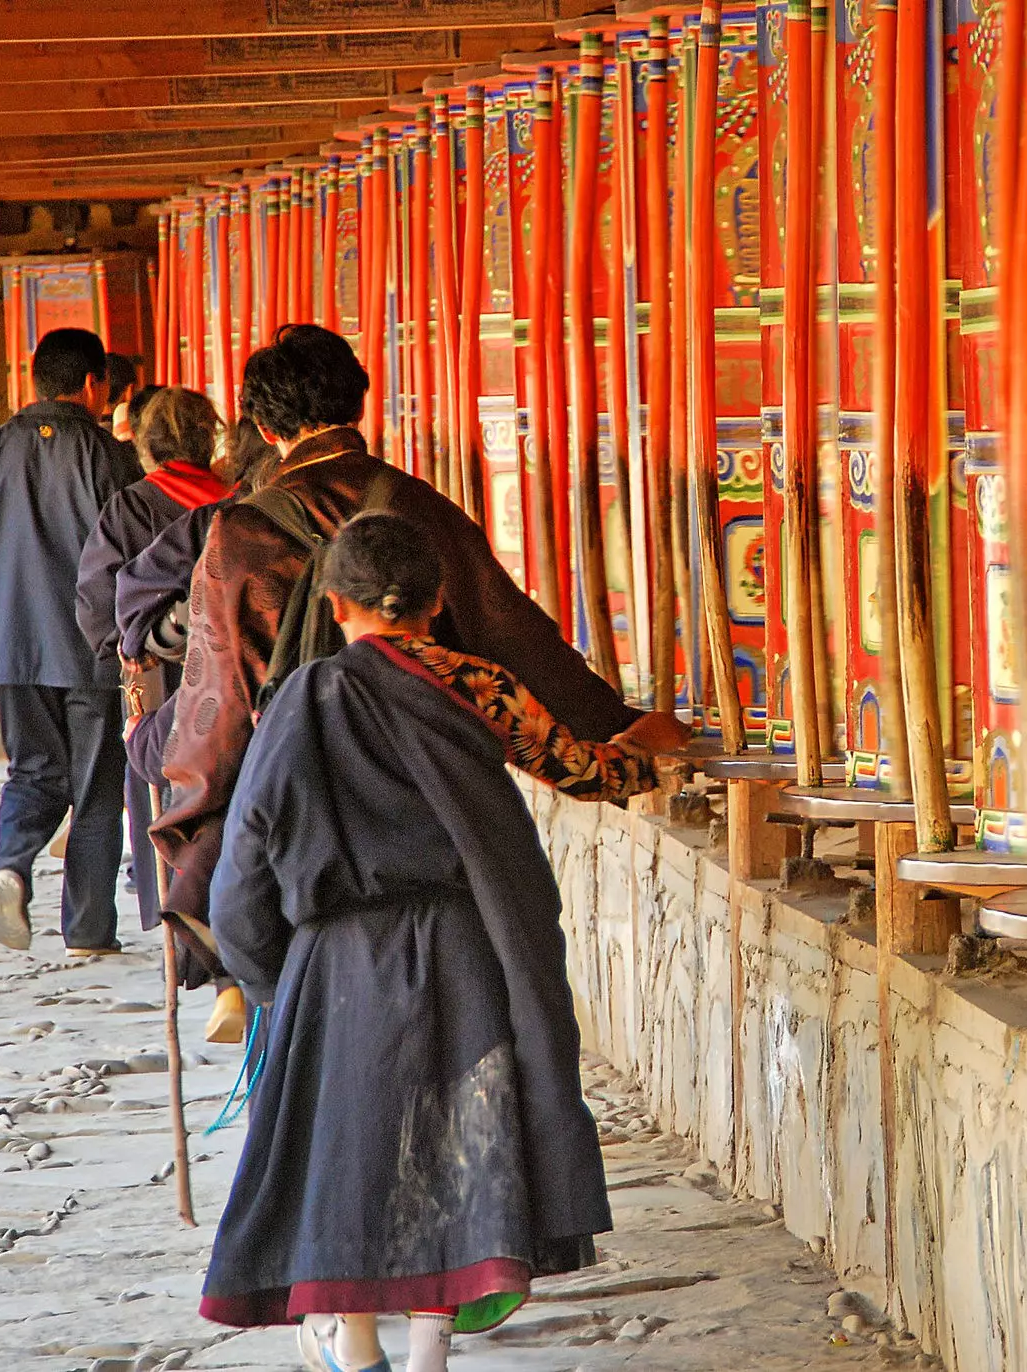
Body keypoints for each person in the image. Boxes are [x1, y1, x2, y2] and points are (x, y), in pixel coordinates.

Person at [200, 513, 673, 1372]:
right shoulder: (480, 686)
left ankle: (355, 1343)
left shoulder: (305, 698)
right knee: (459, 1137)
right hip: (464, 946)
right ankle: (430, 1353)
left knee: (354, 1147)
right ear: (439, 600)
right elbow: (585, 768)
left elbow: (245, 859)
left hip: (337, 958)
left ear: (336, 605)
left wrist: (269, 976)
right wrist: (653, 751)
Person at [151, 324, 689, 982]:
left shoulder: (238, 533)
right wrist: (620, 730)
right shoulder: (421, 510)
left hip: (299, 821)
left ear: (264, 428)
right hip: (434, 825)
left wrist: (202, 836)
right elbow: (515, 638)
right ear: (359, 403)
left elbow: (217, 699)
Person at [0, 327, 144, 956]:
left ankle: (12, 864)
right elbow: (135, 556)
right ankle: (87, 932)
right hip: (89, 648)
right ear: (92, 385)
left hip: (9, 644)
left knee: (32, 768)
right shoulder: (109, 455)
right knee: (98, 785)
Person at [74, 388, 233, 939]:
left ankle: (178, 912)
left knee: (165, 787)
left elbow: (97, 600)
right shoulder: (242, 503)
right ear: (209, 440)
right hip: (238, 677)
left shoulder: (131, 507)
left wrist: (123, 655)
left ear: (145, 447)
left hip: (158, 679)